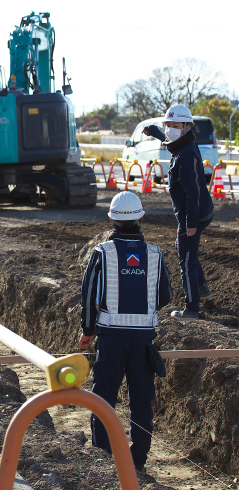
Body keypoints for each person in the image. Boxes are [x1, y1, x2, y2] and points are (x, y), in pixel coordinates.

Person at [79, 191, 173, 472]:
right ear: (141, 218)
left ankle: (104, 457)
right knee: (141, 401)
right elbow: (165, 295)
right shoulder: (154, 254)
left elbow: (88, 297)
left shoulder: (102, 252)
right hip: (144, 339)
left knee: (104, 397)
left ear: (111, 219)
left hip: (110, 338)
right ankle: (138, 460)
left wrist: (87, 330)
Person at [142, 104, 214, 320]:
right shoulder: (183, 143)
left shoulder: (186, 154)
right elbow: (168, 140)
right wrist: (154, 130)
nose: (171, 129)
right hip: (195, 212)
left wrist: (190, 223)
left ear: (186, 127)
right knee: (187, 251)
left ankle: (191, 308)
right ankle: (201, 288)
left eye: (176, 126)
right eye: (169, 125)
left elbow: (193, 193)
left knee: (186, 258)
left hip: (194, 214)